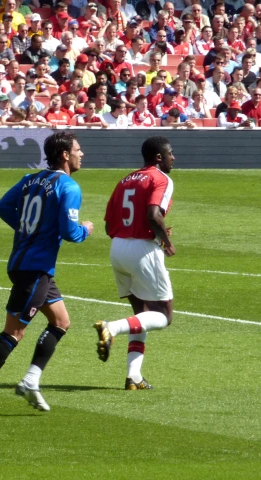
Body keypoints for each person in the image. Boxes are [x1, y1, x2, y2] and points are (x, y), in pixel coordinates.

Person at [0, 131, 94, 419]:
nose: (82, 154)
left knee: (61, 321)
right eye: (78, 150)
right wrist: (86, 230)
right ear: (65, 155)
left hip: (27, 263)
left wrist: (27, 229)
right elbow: (70, 233)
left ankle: (31, 379)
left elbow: (2, 207)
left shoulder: (30, 179)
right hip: (35, 268)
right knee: (14, 332)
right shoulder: (69, 187)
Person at [95, 136, 175, 390]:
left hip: (118, 247)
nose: (174, 158)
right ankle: (111, 327)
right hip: (142, 250)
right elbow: (153, 215)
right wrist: (166, 241)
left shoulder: (125, 180)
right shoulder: (161, 178)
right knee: (163, 315)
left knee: (142, 315)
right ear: (159, 157)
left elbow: (108, 224)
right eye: (171, 153)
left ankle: (134, 376)